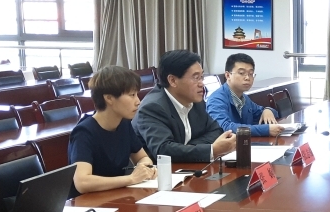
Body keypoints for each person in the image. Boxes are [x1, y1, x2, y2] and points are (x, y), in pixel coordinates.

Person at [133, 50, 236, 162]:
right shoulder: (152, 108)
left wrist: (186, 148)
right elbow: (163, 150)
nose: (201, 83)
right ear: (173, 80)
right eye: (196, 77)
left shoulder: (195, 100)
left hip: (189, 166)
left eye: (202, 77)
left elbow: (215, 130)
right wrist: (211, 150)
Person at [69, 66, 155, 195]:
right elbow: (82, 182)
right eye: (132, 95)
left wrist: (144, 169)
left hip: (116, 194)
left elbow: (143, 157)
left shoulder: (124, 123)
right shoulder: (84, 132)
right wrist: (131, 178)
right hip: (88, 201)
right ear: (109, 98)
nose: (138, 101)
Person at [206, 53, 284, 136]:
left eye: (251, 74)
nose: (247, 78)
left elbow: (262, 112)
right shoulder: (216, 99)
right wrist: (266, 130)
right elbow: (226, 127)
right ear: (228, 75)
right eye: (241, 73)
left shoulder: (244, 98)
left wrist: (268, 110)